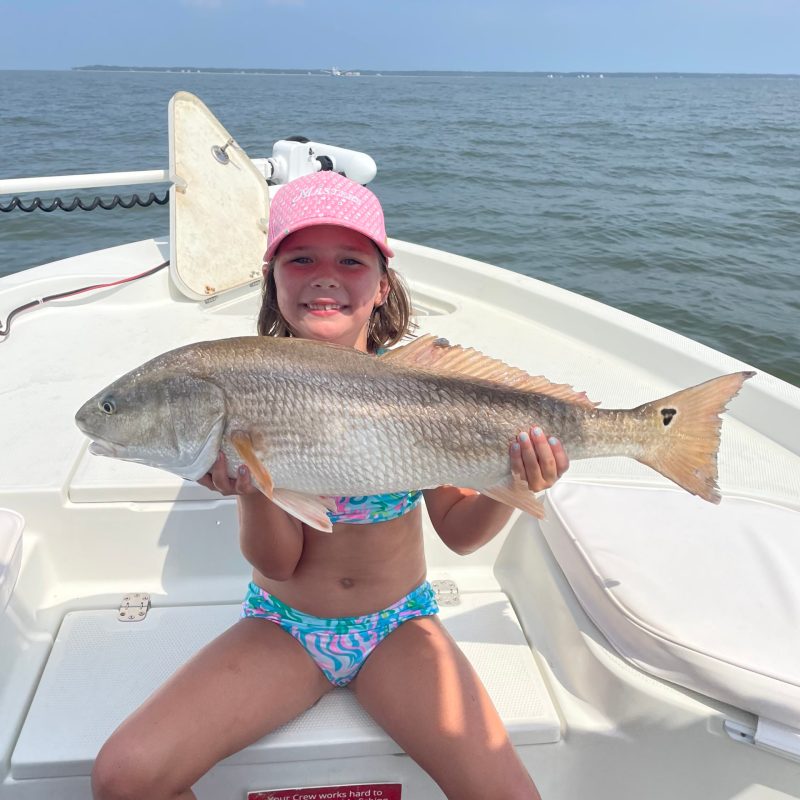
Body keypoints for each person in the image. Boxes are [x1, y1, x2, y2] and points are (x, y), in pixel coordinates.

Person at [91, 170, 569, 800]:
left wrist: (518, 483)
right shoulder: (249, 384)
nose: (325, 275)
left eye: (350, 259)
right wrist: (255, 485)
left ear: (381, 285)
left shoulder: (419, 392)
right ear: (273, 279)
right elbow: (277, 563)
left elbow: (460, 535)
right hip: (284, 627)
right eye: (300, 258)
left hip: (399, 627)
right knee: (124, 776)